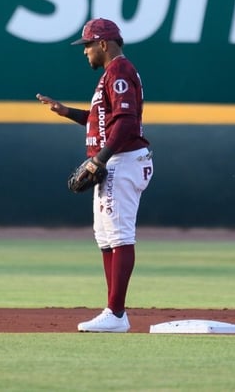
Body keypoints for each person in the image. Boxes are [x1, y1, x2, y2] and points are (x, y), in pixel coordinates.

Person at [36, 17, 153, 333]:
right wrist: (66, 112)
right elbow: (104, 119)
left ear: (103, 43)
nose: (84, 51)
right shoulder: (111, 74)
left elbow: (127, 121)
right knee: (105, 237)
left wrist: (98, 160)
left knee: (120, 236)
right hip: (116, 160)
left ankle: (116, 314)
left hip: (123, 160)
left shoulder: (118, 72)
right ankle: (113, 312)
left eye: (87, 45)